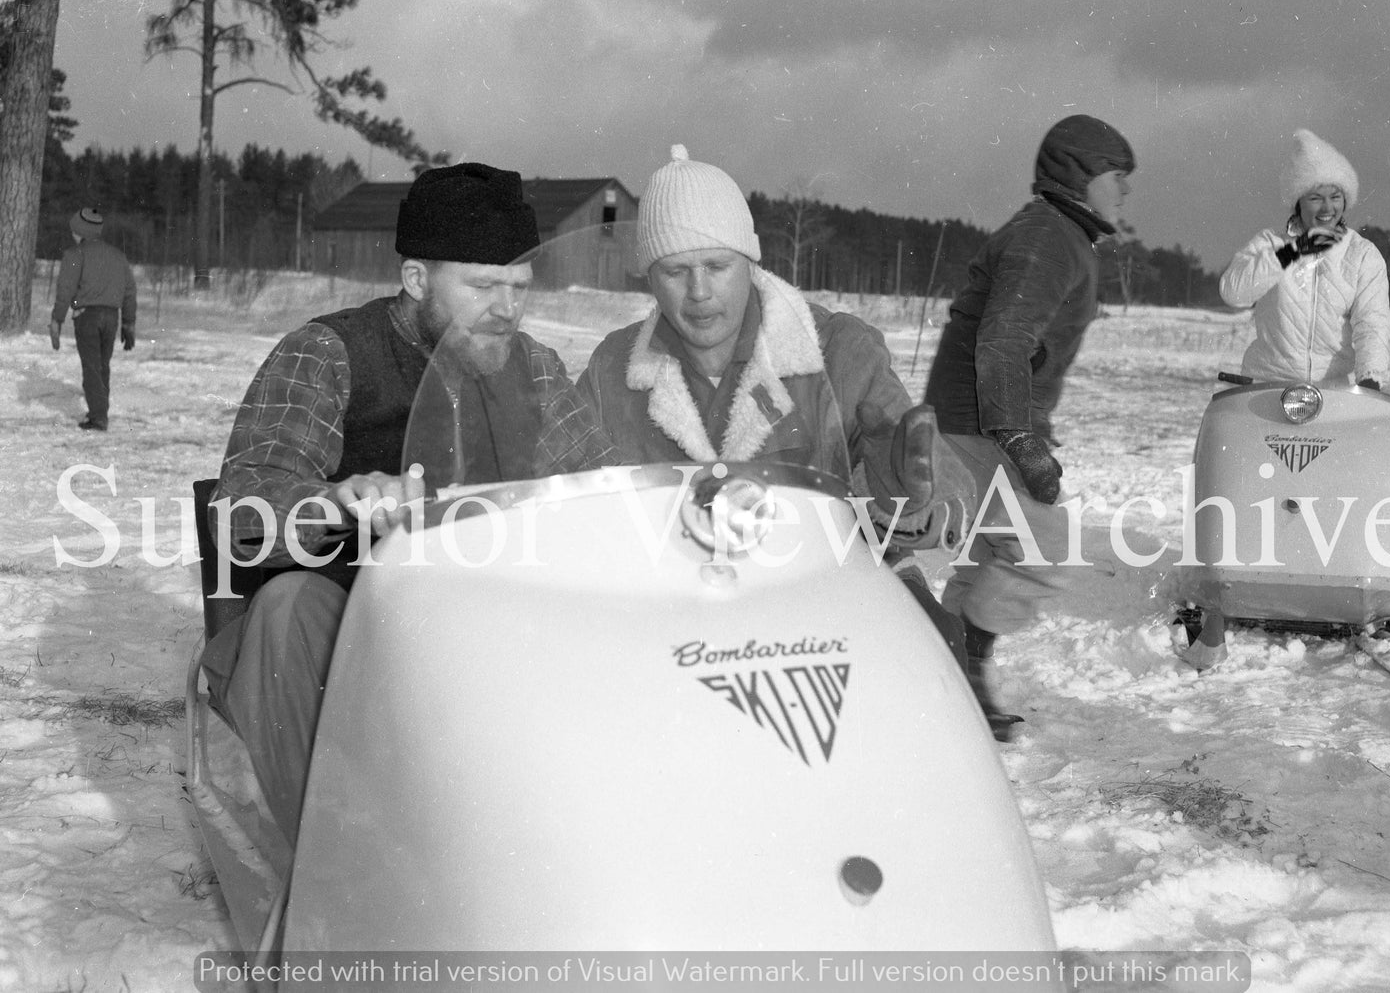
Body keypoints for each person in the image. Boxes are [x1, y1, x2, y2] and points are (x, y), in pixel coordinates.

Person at [200, 162, 615, 850]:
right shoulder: (328, 355)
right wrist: (337, 502)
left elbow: (600, 493)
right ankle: (329, 865)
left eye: (519, 286)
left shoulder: (534, 368)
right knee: (287, 606)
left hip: (490, 625)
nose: (507, 309)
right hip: (352, 632)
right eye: (481, 286)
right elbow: (243, 510)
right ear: (417, 279)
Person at [578, 144, 971, 604]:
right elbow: (562, 505)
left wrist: (903, 498)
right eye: (675, 271)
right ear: (649, 277)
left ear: (750, 262)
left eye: (717, 266)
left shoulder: (837, 351)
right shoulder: (613, 369)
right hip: (671, 609)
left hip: (827, 602)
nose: (699, 291)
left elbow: (952, 501)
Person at [922, 114, 1137, 740]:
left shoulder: (1060, 233)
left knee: (994, 553)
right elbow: (1006, 338)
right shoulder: (1048, 237)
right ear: (1081, 174)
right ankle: (961, 672)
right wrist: (1017, 436)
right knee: (1043, 549)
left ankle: (946, 676)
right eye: (1116, 175)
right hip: (980, 423)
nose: (1125, 190)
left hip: (979, 419)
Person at [1219, 127, 1390, 389]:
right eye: (1315, 198)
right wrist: (1293, 251)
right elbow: (1233, 293)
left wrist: (1370, 378)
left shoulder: (1363, 255)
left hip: (1333, 393)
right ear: (1298, 202)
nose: (1327, 208)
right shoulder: (1270, 244)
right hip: (1266, 386)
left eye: (1335, 197)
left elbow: (1372, 323)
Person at [49, 207, 137, 431]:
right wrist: (128, 323)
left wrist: (57, 319)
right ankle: (100, 411)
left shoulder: (75, 255)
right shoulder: (117, 256)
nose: (72, 234)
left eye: (74, 230)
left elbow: (65, 289)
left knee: (91, 367)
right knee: (102, 366)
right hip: (112, 317)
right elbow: (129, 291)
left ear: (80, 231)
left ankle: (98, 416)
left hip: (87, 316)